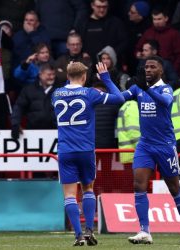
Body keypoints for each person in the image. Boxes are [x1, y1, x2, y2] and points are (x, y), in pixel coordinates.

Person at [123, 56, 180, 245]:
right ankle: (144, 231)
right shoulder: (138, 88)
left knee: (173, 187)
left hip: (165, 146)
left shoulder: (166, 89)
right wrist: (106, 79)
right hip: (145, 145)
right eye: (146, 67)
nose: (148, 69)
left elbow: (164, 102)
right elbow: (118, 98)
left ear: (161, 71)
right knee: (139, 185)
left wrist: (146, 89)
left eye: (152, 67)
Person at [52, 61, 124, 246]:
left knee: (69, 195)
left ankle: (77, 235)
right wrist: (106, 79)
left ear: (68, 76)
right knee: (88, 189)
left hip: (66, 150)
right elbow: (119, 98)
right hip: (85, 149)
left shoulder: (56, 94)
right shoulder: (91, 93)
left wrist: (70, 70)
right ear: (84, 77)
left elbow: (67, 88)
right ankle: (89, 231)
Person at [11, 63, 59, 140]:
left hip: (56, 133)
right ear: (40, 75)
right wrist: (15, 124)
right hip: (33, 133)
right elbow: (19, 107)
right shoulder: (28, 90)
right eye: (49, 75)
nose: (52, 77)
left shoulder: (62, 90)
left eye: (53, 74)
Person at [134, 8, 180, 74]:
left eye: (159, 19)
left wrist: (173, 70)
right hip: (149, 70)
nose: (156, 22)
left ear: (166, 18)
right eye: (154, 19)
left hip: (167, 69)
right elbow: (138, 48)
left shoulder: (174, 34)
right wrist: (138, 54)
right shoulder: (148, 33)